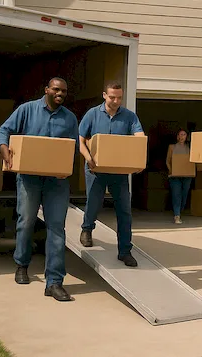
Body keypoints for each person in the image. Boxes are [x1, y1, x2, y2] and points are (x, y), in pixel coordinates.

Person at [0, 77, 79, 302]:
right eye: (56, 89)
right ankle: (22, 265)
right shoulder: (27, 110)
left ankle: (54, 282)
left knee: (56, 228)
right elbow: (3, 132)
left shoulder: (69, 118)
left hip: (57, 182)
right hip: (29, 179)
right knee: (26, 222)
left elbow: (73, 149)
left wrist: (66, 168)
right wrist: (4, 150)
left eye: (63, 91)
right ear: (47, 90)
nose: (60, 93)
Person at [78, 81, 145, 267]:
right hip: (95, 169)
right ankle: (87, 228)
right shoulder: (92, 114)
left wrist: (139, 159)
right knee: (94, 202)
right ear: (104, 95)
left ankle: (125, 251)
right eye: (112, 97)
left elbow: (139, 138)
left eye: (119, 97)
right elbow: (81, 139)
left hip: (118, 171)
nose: (116, 101)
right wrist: (88, 158)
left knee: (124, 211)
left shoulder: (129, 117)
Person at [166, 128, 195, 224]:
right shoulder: (172, 147)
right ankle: (177, 215)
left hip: (187, 175)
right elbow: (168, 161)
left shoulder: (189, 148)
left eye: (184, 135)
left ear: (186, 137)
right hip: (174, 176)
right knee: (176, 194)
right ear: (177, 136)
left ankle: (180, 210)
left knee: (184, 194)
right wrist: (171, 170)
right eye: (180, 134)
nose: (182, 136)